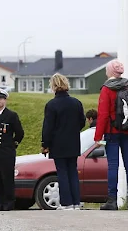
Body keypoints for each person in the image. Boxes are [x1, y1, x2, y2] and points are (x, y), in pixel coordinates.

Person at [94, 60, 128, 211]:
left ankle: (112, 201)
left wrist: (98, 137)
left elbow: (103, 115)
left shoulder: (106, 89)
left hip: (112, 133)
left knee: (113, 166)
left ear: (110, 72)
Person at [41, 73, 86, 210]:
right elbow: (82, 122)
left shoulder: (51, 105)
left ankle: (66, 203)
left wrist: (45, 144)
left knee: (62, 172)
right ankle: (76, 202)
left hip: (58, 144)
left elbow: (48, 127)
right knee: (72, 171)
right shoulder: (76, 103)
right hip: (73, 143)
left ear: (53, 86)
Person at [0, 88, 24, 211]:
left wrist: (13, 144)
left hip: (7, 152)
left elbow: (19, 133)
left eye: (0, 98)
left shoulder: (11, 116)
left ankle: (9, 202)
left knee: (7, 178)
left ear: (5, 100)